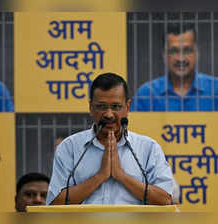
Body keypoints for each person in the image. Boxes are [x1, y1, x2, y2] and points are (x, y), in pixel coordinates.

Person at [47, 72, 174, 205]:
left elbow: (165, 200)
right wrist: (100, 176)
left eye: (116, 107)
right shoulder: (70, 147)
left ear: (128, 107)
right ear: (91, 107)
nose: (108, 114)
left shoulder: (148, 148)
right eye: (101, 107)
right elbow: (55, 202)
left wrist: (121, 175)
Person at [131, 23, 218, 111]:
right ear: (164, 55)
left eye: (187, 50)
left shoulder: (215, 89)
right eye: (173, 51)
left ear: (197, 53)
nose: (181, 58)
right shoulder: (146, 94)